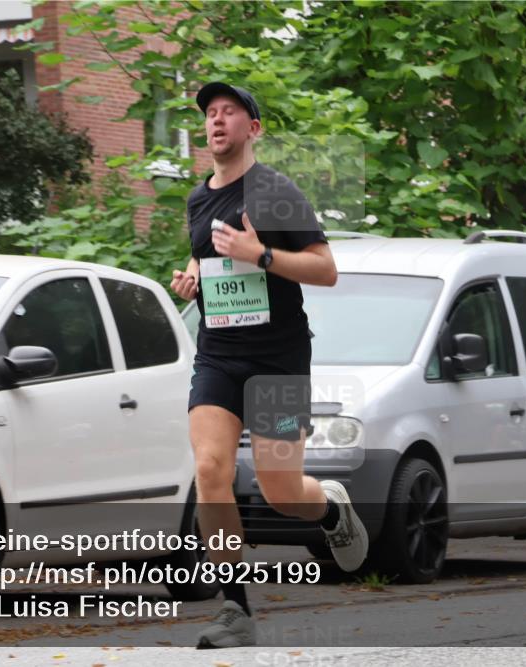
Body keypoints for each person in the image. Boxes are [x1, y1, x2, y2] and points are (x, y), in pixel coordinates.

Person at [169, 82, 369, 649]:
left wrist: (260, 254)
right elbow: (205, 254)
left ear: (253, 128)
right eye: (210, 113)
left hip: (277, 361)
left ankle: (329, 510)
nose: (216, 121)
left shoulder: (276, 192)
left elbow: (325, 269)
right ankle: (235, 609)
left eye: (229, 112)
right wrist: (191, 277)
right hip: (218, 355)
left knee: (281, 490)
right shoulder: (199, 198)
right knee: (210, 468)